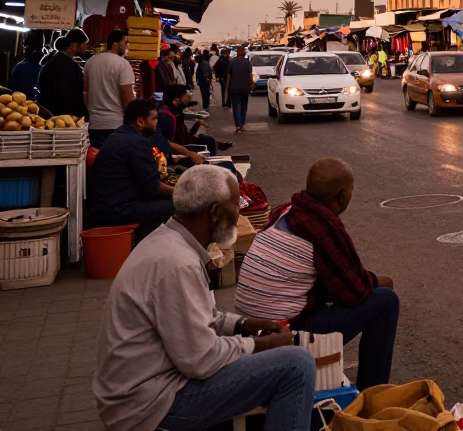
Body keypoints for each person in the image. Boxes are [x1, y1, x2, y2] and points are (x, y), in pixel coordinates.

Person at [95, 165, 315, 431]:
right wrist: (261, 345)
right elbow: (201, 360)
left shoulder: (169, 241)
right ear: (215, 212)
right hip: (149, 404)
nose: (240, 212)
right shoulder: (178, 263)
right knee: (296, 365)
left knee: (264, 356)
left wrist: (243, 324)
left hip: (146, 389)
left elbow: (198, 318)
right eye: (236, 204)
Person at [236, 158, 399, 392]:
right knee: (385, 299)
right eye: (351, 190)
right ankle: (372, 392)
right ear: (342, 196)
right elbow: (354, 291)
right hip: (281, 335)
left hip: (248, 326)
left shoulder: (286, 211)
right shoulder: (321, 225)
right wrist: (380, 282)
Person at [87, 99, 176, 235]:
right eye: (154, 119)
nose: (156, 123)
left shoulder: (122, 134)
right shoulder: (136, 142)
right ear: (140, 121)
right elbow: (154, 188)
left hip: (108, 204)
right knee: (178, 205)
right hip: (116, 210)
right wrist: (179, 192)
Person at [84, 29, 137, 149]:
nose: (126, 46)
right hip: (115, 123)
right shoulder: (123, 64)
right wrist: (131, 121)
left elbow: (85, 91)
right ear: (115, 44)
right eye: (125, 43)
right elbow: (126, 95)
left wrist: (91, 111)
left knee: (96, 159)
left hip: (94, 123)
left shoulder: (90, 62)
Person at [158, 84, 224, 157]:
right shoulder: (166, 116)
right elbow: (166, 144)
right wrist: (190, 154)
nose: (187, 99)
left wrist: (197, 124)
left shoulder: (176, 112)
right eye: (185, 96)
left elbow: (186, 137)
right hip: (178, 153)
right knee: (209, 142)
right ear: (176, 99)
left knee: (209, 141)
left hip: (184, 146)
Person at [37, 29, 89, 118]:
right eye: (84, 44)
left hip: (51, 113)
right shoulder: (66, 66)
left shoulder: (54, 61)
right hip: (62, 117)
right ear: (73, 46)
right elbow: (69, 95)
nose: (85, 47)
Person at [225, 46, 252, 133]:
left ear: (237, 52)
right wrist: (252, 84)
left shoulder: (232, 62)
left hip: (235, 88)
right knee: (244, 107)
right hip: (245, 88)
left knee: (236, 107)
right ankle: (242, 124)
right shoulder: (247, 62)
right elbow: (250, 75)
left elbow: (229, 76)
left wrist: (227, 87)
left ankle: (238, 126)